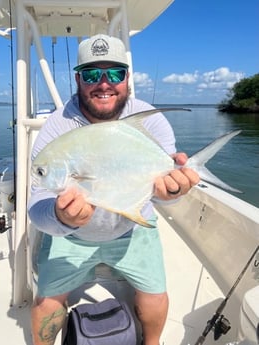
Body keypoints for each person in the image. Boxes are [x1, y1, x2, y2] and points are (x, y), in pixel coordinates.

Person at [28, 34, 200, 345]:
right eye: (93, 74)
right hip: (72, 238)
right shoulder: (57, 126)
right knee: (44, 305)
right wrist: (61, 218)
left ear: (127, 77)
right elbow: (37, 208)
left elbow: (160, 191)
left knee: (155, 297)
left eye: (115, 73)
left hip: (132, 228)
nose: (104, 83)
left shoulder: (151, 119)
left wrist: (172, 195)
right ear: (79, 79)